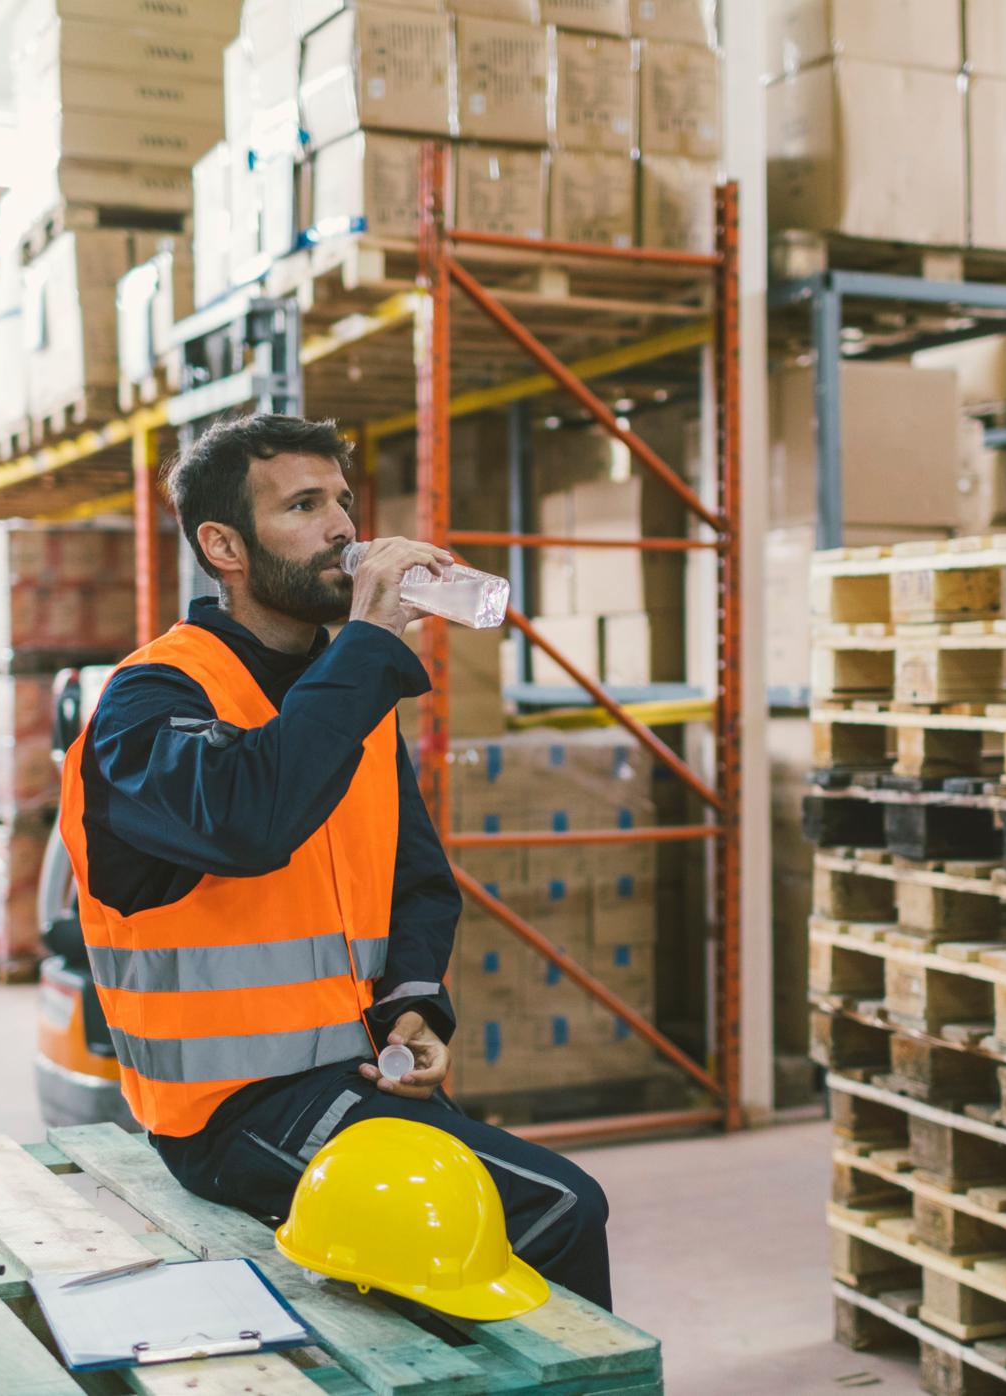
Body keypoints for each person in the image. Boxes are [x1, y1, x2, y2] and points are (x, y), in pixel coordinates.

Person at [56, 412, 614, 1310]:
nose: (344, 530)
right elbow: (247, 820)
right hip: (228, 1111)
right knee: (555, 1212)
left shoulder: (342, 697)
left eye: (344, 503)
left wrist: (413, 1005)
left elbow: (414, 880)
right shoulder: (151, 698)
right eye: (305, 506)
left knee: (459, 1257)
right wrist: (368, 647)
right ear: (223, 546)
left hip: (353, 1073)